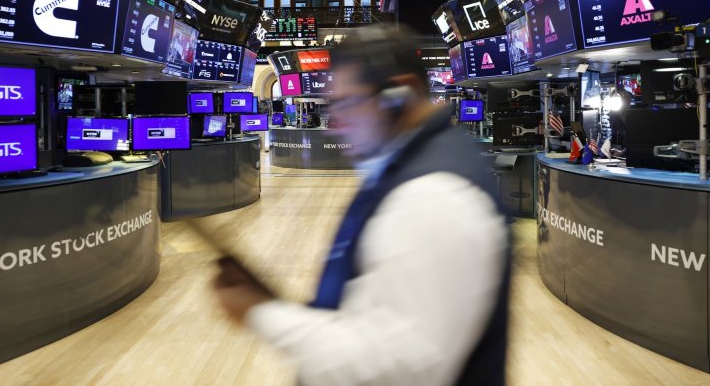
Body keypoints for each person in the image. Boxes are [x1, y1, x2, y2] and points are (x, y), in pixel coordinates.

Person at [214, 26, 511, 386]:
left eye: (349, 103)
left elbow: (396, 367)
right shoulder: (408, 167)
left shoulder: (435, 198)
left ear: (399, 95)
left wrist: (262, 313)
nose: (338, 124)